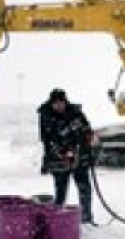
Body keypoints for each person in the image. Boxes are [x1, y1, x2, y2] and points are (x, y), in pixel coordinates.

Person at [38, 88, 96, 224]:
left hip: (79, 155)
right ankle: (57, 219)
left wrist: (88, 134)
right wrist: (62, 151)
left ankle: (86, 218)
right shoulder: (46, 115)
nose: (59, 106)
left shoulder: (76, 112)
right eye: (56, 103)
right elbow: (47, 138)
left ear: (66, 101)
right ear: (51, 103)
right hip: (58, 158)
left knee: (84, 188)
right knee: (61, 189)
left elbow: (86, 128)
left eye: (61, 102)